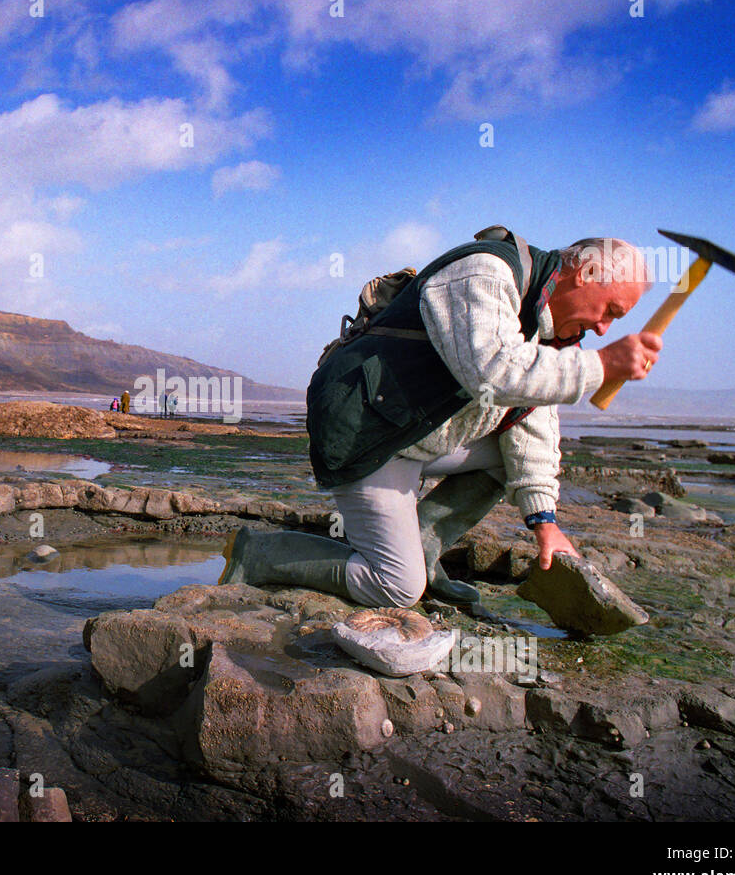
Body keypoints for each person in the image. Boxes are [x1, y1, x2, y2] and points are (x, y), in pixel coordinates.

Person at [219, 231, 661, 612]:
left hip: (420, 437)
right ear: (584, 275)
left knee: (507, 461)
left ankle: (425, 550)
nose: (604, 329)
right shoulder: (484, 272)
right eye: (610, 311)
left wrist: (544, 521)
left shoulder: (545, 329)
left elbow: (532, 423)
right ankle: (258, 553)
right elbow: (493, 370)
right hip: (368, 437)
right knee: (396, 587)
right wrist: (601, 366)